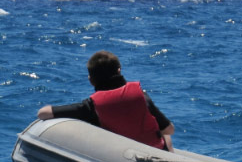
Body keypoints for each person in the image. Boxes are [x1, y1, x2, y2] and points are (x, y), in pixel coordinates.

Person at [37, 50, 175, 151]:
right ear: (119, 71)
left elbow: (43, 113)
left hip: (121, 158)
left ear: (91, 80)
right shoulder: (141, 96)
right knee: (166, 136)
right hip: (154, 151)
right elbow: (169, 129)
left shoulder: (91, 106)